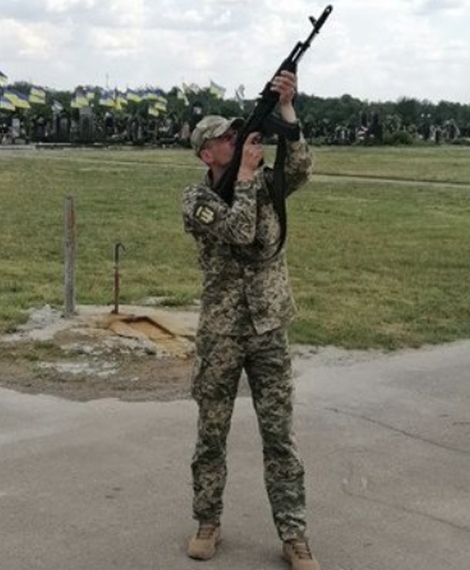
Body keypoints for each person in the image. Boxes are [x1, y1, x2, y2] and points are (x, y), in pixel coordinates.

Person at [181, 70, 320, 570]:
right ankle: (207, 521)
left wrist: (287, 112)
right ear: (206, 154)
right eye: (225, 138)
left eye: (236, 134)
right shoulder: (196, 200)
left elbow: (300, 169)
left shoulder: (259, 181)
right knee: (211, 433)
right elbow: (239, 232)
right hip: (222, 331)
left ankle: (293, 533)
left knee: (280, 436)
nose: (236, 141)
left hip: (268, 326)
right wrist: (243, 180)